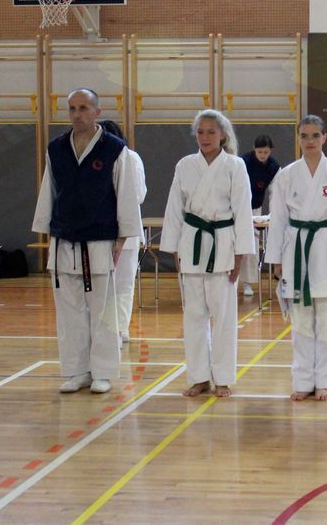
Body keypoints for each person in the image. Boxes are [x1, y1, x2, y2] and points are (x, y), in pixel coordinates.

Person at [31, 88, 142, 394]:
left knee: (102, 311)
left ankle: (103, 372)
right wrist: (48, 229)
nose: (77, 114)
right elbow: (49, 191)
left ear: (97, 112)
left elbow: (126, 195)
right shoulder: (56, 149)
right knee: (70, 313)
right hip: (64, 239)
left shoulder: (114, 149)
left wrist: (122, 236)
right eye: (72, 108)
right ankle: (77, 371)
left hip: (100, 239)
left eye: (83, 108)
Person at [162, 110, 254, 398]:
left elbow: (243, 211)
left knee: (224, 316)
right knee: (193, 315)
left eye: (211, 132)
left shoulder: (235, 165)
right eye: (200, 132)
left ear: (222, 135)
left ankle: (223, 378)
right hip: (191, 242)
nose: (205, 137)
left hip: (223, 244)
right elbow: (174, 209)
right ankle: (199, 376)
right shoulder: (185, 165)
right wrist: (174, 247)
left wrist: (240, 255)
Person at [265, 115, 327, 401]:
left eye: (315, 135)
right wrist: (276, 258)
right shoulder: (286, 174)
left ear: (324, 137)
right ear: (298, 138)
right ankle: (303, 380)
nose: (310, 141)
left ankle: (325, 381)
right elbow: (278, 219)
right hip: (296, 247)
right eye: (304, 136)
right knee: (301, 320)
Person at [99, 120, 147, 345]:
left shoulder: (131, 158)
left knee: (124, 283)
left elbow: (139, 194)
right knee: (103, 284)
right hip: (100, 229)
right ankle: (105, 329)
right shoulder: (95, 160)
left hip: (127, 229)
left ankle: (120, 329)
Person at [240, 134, 281, 297]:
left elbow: (275, 194)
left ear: (270, 151)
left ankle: (247, 283)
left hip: (255, 211)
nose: (263, 155)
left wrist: (274, 215)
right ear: (254, 149)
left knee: (251, 249)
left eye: (266, 152)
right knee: (233, 247)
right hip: (237, 210)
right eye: (260, 152)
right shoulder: (242, 162)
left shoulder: (274, 168)